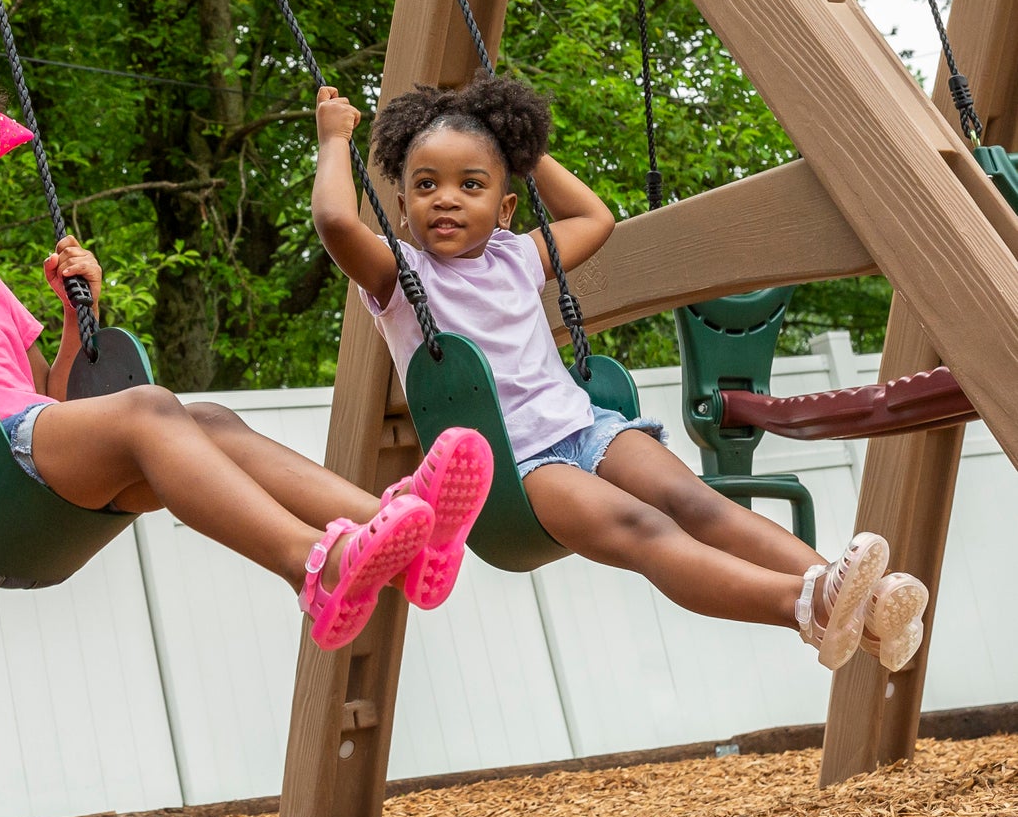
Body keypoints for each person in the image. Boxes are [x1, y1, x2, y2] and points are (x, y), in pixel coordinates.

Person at [0, 47, 495, 651]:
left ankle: (398, 527)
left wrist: (81, 314)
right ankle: (311, 561)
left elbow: (54, 401)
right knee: (149, 410)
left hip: (38, 481)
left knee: (204, 421)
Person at [310, 74, 930, 672]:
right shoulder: (403, 279)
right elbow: (338, 223)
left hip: (588, 429)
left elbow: (595, 219)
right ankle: (803, 607)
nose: (446, 198)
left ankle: (858, 608)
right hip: (516, 468)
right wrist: (334, 139)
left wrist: (528, 155)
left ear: (504, 208)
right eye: (425, 185)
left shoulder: (518, 256)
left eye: (470, 185)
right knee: (645, 529)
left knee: (695, 500)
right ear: (402, 205)